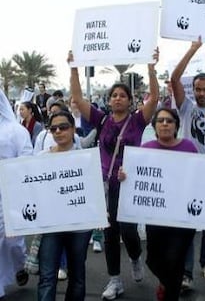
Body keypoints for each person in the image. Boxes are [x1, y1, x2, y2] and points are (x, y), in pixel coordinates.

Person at [68, 48, 160, 300]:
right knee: (110, 232)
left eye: (122, 95)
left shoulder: (139, 121)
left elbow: (154, 97)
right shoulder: (101, 120)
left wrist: (151, 68)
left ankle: (135, 257)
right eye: (114, 95)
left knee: (128, 230)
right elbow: (76, 96)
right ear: (108, 100)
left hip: (128, 183)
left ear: (130, 101)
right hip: (105, 185)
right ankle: (115, 280)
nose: (118, 98)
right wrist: (74, 67)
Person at [119, 108, 197, 301]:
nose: (164, 124)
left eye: (169, 121)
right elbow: (135, 177)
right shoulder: (145, 149)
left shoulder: (189, 147)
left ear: (176, 125)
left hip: (183, 218)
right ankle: (166, 283)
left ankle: (169, 295)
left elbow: (200, 177)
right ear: (153, 126)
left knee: (175, 261)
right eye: (160, 120)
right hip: (156, 217)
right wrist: (125, 176)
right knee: (153, 259)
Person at [170, 36, 205, 288]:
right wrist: (192, 49)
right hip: (187, 172)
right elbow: (173, 79)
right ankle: (186, 272)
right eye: (198, 89)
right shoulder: (186, 108)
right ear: (194, 90)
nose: (202, 93)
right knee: (187, 223)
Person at [37, 111, 92, 301]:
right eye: (53, 129)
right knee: (47, 277)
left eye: (63, 127)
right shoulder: (42, 158)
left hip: (80, 226)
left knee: (77, 276)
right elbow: (31, 190)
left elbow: (95, 189)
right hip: (51, 225)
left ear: (73, 129)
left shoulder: (87, 158)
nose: (58, 131)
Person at [0, 89, 32, 300]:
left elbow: (27, 160)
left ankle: (21, 264)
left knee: (12, 241)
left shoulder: (16, 131)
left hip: (10, 192)